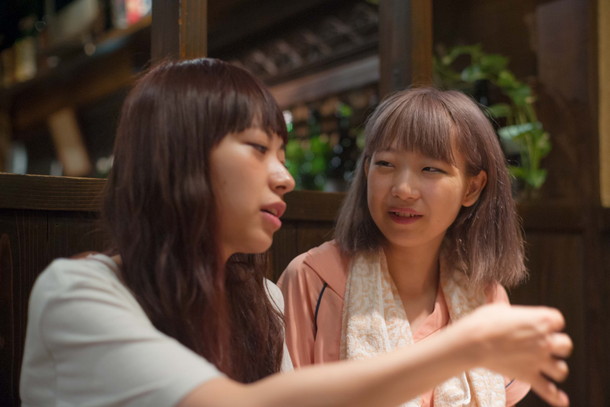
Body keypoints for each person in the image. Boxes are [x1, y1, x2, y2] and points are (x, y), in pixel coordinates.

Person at [20, 58, 571, 407]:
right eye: (258, 149)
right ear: (178, 158)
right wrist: (463, 348)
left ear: (474, 188)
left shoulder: (261, 301)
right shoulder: (79, 293)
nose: (284, 177)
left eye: (281, 154)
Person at [279, 87, 561, 406]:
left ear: (472, 187)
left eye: (430, 169)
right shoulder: (312, 279)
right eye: (386, 164)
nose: (403, 189)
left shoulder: (486, 296)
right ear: (366, 170)